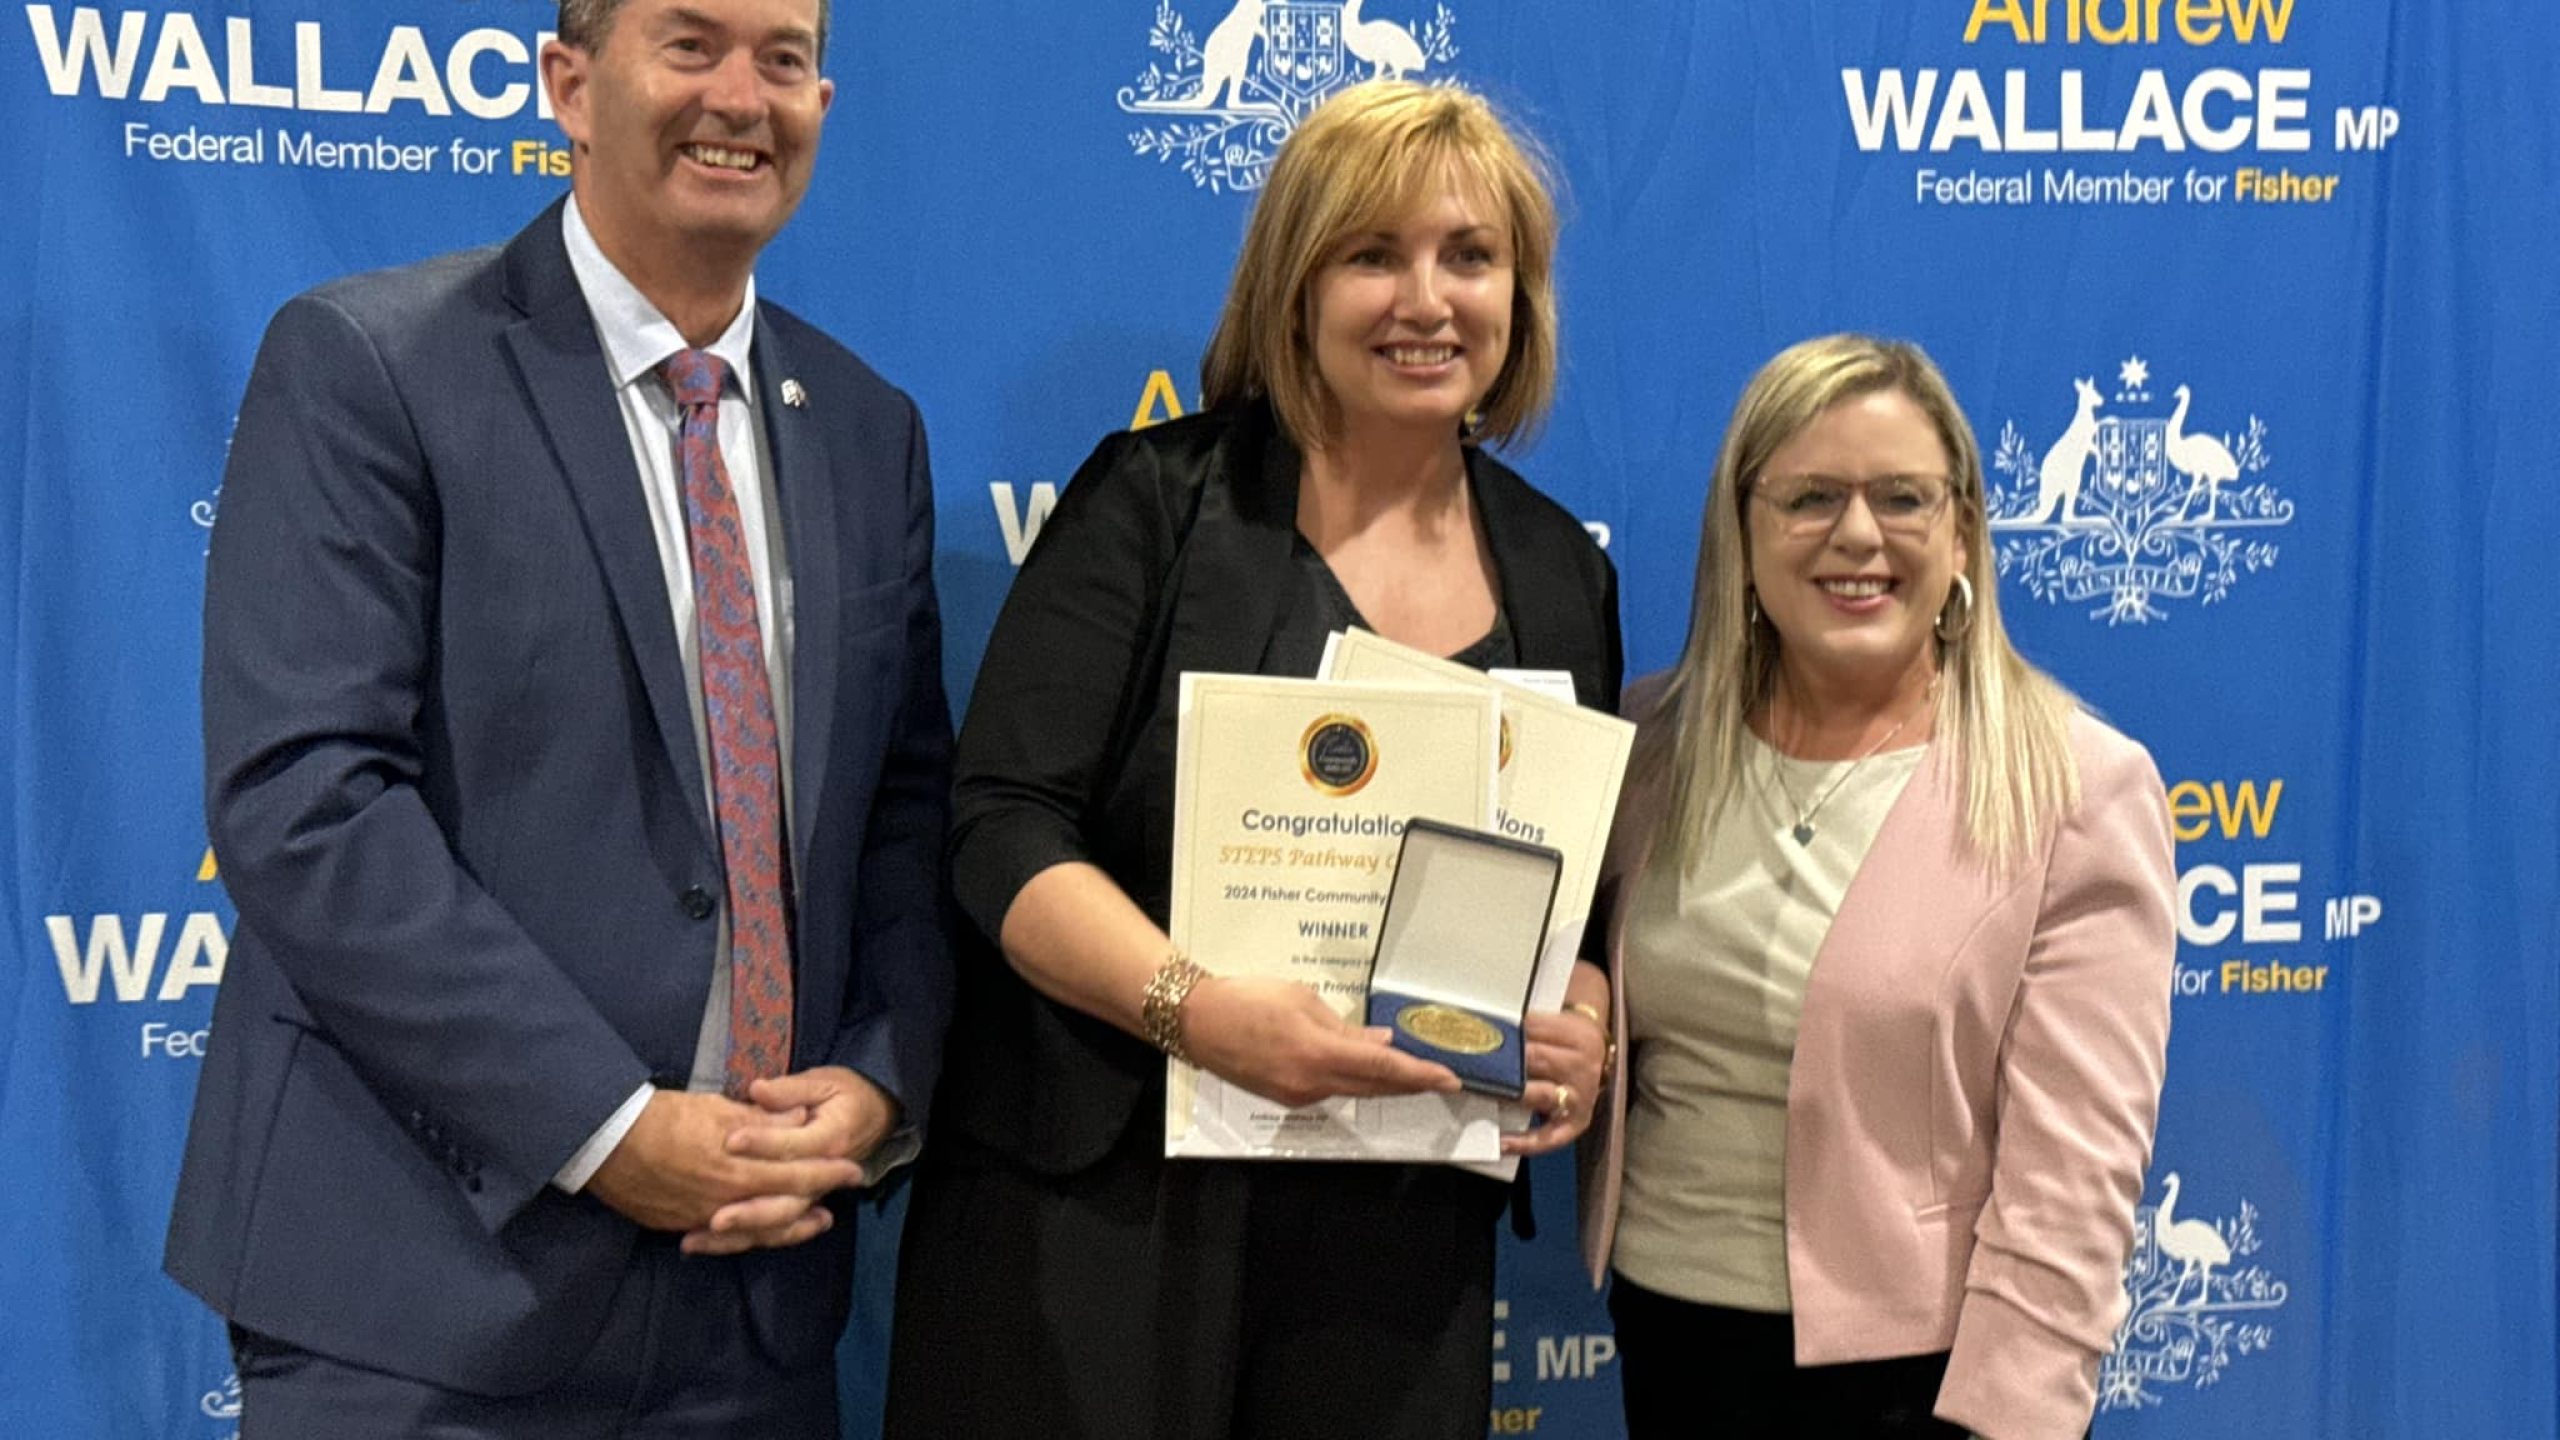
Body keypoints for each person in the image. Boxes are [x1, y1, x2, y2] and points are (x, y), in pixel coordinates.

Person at [162, 0, 952, 1432]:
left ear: (825, 101)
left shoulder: (862, 422)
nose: (742, 96)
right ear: (570, 86)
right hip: (420, 1300)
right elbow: (306, 800)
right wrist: (607, 1126)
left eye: (782, 59)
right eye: (692, 44)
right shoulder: (370, 364)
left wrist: (879, 1084)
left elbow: (901, 809)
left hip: (756, 1312)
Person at [884, 81, 1621, 1440]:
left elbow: (1580, 895)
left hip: (1397, 1240)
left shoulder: (1560, 572)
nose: (1426, 298)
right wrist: (1193, 1006)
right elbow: (1002, 825)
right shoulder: (1155, 504)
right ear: (1295, 284)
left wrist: (1580, 1014)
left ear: (1521, 297)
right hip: (1102, 1210)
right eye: (1370, 254)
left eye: (1471, 257)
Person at [1578, 335, 2175, 1440]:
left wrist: (2004, 1419)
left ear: (1962, 534)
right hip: (1671, 1345)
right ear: (1741, 533)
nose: (1857, 534)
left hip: (1925, 1384)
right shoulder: (1641, 745)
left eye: (1901, 497)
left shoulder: (2076, 788)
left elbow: (2074, 1183)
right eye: (1808, 497)